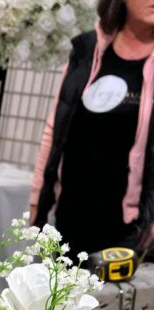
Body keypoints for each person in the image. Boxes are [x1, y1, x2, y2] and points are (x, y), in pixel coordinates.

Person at [31, 0, 154, 258]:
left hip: (128, 226)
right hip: (69, 214)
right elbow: (54, 130)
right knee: (59, 294)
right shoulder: (88, 49)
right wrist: (37, 199)